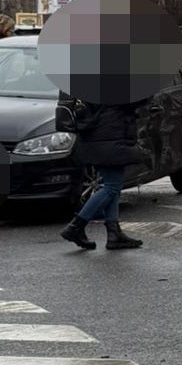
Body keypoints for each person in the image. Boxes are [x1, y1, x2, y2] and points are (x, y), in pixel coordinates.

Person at [57, 93, 147, 251]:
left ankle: (114, 233)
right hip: (110, 136)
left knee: (112, 184)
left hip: (92, 137)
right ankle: (76, 227)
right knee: (112, 186)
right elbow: (133, 101)